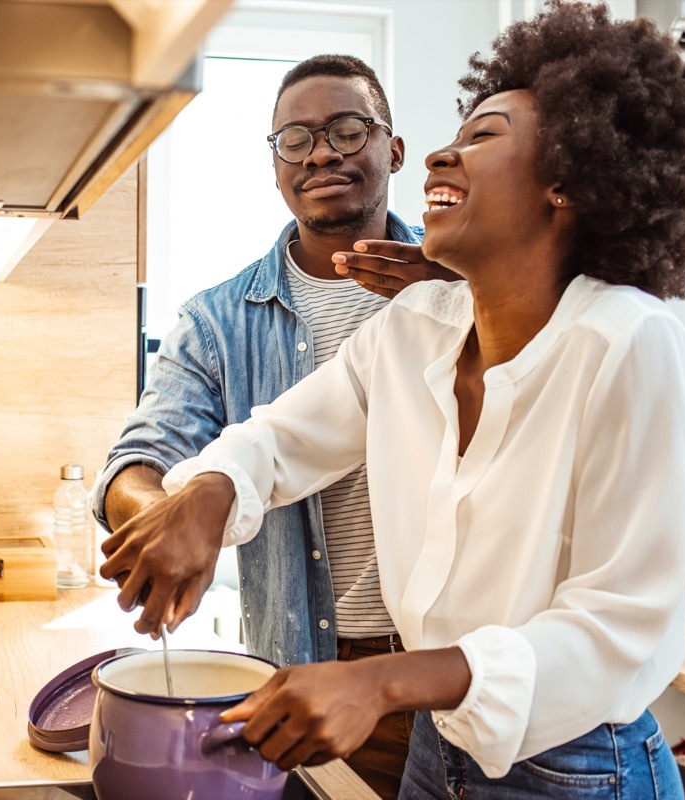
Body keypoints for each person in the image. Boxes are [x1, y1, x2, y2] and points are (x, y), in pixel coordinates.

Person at [99, 1, 685, 797]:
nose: (443, 153)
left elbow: (622, 630)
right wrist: (212, 490)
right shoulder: (417, 327)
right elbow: (279, 440)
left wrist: (387, 682)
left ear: (566, 181)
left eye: (483, 137)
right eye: (456, 133)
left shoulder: (624, 341)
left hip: (582, 767)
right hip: (442, 754)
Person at [92, 54, 452, 798]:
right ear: (275, 166)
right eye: (295, 139)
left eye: (347, 130)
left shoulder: (453, 293)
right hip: (304, 686)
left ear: (393, 150)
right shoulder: (216, 321)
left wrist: (463, 287)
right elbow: (138, 462)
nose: (320, 152)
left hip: (452, 682)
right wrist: (169, 522)